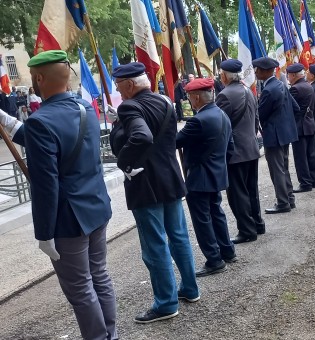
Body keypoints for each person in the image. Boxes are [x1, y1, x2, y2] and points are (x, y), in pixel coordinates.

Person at [0, 50, 117, 339]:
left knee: (80, 289)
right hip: (96, 208)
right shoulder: (84, 108)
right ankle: (110, 335)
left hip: (68, 220)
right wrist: (4, 118)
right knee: (99, 276)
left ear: (39, 78)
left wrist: (44, 232)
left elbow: (46, 185)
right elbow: (47, 137)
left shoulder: (42, 122)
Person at [110, 62, 199, 323]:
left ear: (129, 85)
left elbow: (142, 136)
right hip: (170, 177)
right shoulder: (164, 101)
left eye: (119, 86)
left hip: (145, 182)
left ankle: (165, 303)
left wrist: (123, 162)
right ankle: (190, 289)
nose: (118, 90)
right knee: (178, 236)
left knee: (155, 246)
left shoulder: (129, 106)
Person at [176, 77, 235, 277]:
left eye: (190, 97)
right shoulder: (221, 114)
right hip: (216, 173)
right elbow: (230, 148)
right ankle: (227, 250)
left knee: (202, 220)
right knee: (216, 213)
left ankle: (214, 259)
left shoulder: (198, 120)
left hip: (199, 176)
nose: (190, 101)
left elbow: (176, 141)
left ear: (197, 98)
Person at [215, 59, 265, 244]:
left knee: (238, 193)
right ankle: (257, 224)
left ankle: (246, 230)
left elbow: (221, 125)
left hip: (236, 152)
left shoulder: (224, 95)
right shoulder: (247, 89)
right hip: (251, 147)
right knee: (251, 189)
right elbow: (255, 118)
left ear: (224, 76)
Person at [255, 57, 299, 213]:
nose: (256, 72)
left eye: (258, 69)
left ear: (266, 71)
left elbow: (262, 114)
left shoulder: (268, 90)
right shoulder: (281, 85)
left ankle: (282, 202)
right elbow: (295, 107)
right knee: (284, 168)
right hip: (285, 134)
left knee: (277, 170)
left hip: (274, 135)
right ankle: (289, 199)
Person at [287, 63, 315, 193]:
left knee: (301, 157)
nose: (288, 77)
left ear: (294, 75)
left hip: (300, 126)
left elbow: (291, 109)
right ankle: (314, 180)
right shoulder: (308, 86)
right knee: (311, 155)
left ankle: (305, 183)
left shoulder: (295, 89)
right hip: (309, 124)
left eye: (289, 75)